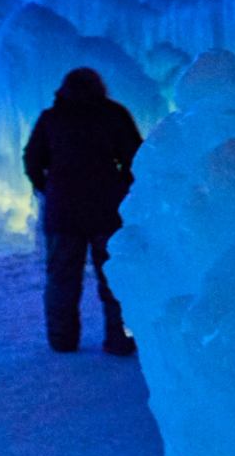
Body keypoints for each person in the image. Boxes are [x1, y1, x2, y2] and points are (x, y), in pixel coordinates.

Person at [22, 67, 144, 357]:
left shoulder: (52, 118)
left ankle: (62, 340)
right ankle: (121, 339)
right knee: (116, 279)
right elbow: (136, 157)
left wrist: (47, 187)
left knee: (62, 279)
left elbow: (32, 159)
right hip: (107, 210)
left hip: (63, 212)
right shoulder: (113, 115)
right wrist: (122, 187)